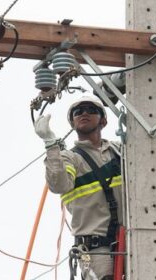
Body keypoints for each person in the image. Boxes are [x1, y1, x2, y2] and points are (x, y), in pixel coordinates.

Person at [34, 95, 123, 280]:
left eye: (91, 110)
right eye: (78, 112)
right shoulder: (69, 158)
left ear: (103, 121)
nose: (84, 113)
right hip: (97, 248)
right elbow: (59, 184)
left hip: (130, 238)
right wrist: (51, 144)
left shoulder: (119, 150)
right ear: (73, 123)